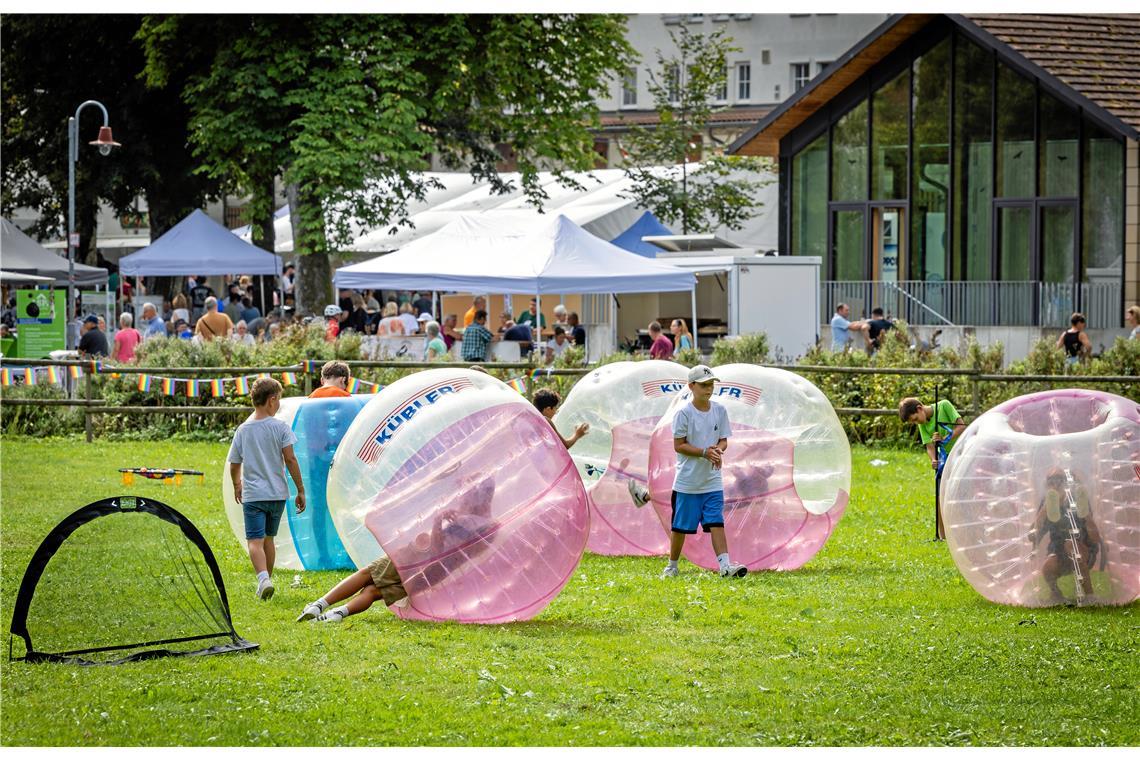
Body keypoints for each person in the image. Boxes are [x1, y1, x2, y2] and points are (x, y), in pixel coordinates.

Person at [296, 476, 497, 623]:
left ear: (475, 497)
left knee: (368, 574)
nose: (461, 498)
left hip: (417, 558)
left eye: (466, 493)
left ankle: (318, 605)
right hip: (435, 575)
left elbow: (437, 550)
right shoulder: (490, 527)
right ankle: (335, 616)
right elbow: (457, 559)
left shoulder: (466, 522)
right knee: (374, 592)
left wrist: (438, 521)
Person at [660, 365, 746, 579]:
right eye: (704, 385)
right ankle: (672, 567)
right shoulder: (683, 413)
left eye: (711, 385)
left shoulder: (720, 411)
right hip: (687, 483)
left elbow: (724, 440)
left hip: (712, 481)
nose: (709, 389)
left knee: (716, 522)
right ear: (691, 386)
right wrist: (704, 452)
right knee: (679, 527)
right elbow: (678, 445)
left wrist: (718, 450)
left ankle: (725, 567)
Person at [227, 377, 306, 600]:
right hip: (277, 495)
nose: (279, 403)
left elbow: (235, 463)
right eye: (278, 399)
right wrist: (300, 489)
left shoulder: (243, 430)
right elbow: (290, 459)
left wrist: (237, 483)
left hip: (254, 495)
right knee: (269, 539)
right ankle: (266, 581)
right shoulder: (280, 427)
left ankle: (263, 580)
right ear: (271, 400)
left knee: (255, 541)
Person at [1027, 468, 1104, 604]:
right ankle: (1056, 595)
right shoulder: (1048, 503)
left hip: (1085, 552)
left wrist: (1086, 516)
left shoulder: (1078, 500)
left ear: (1067, 482)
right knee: (1048, 567)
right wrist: (1044, 511)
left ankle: (1090, 596)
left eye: (1060, 479)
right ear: (1047, 484)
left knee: (1071, 545)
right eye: (1051, 480)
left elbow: (1095, 538)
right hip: (1059, 554)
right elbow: (1032, 536)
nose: (1056, 484)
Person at [898, 395, 966, 540]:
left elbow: (961, 426)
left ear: (920, 408)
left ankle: (963, 529)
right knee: (941, 494)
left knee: (960, 493)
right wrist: (934, 459)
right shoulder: (922, 425)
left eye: (915, 419)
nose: (916, 423)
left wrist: (946, 437)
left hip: (960, 453)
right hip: (943, 460)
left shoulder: (944, 406)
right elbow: (929, 446)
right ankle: (943, 537)